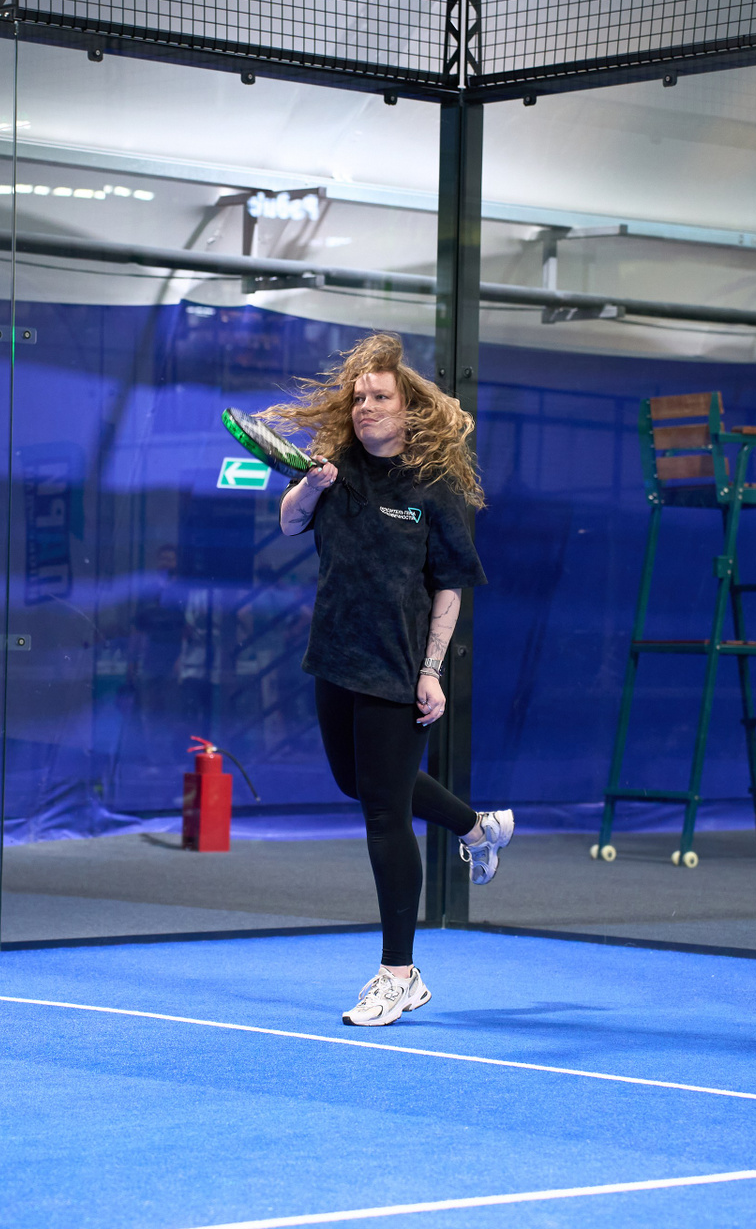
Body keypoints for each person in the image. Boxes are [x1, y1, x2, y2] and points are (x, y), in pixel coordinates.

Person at [265, 333, 512, 1028]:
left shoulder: (434, 489)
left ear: (408, 409)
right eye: (359, 397)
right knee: (359, 783)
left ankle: (399, 975)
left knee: (384, 811)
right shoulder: (335, 468)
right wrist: (310, 486)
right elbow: (288, 524)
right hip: (333, 656)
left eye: (380, 396)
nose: (366, 406)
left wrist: (431, 671)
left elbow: (449, 587)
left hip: (396, 667)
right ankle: (478, 827)